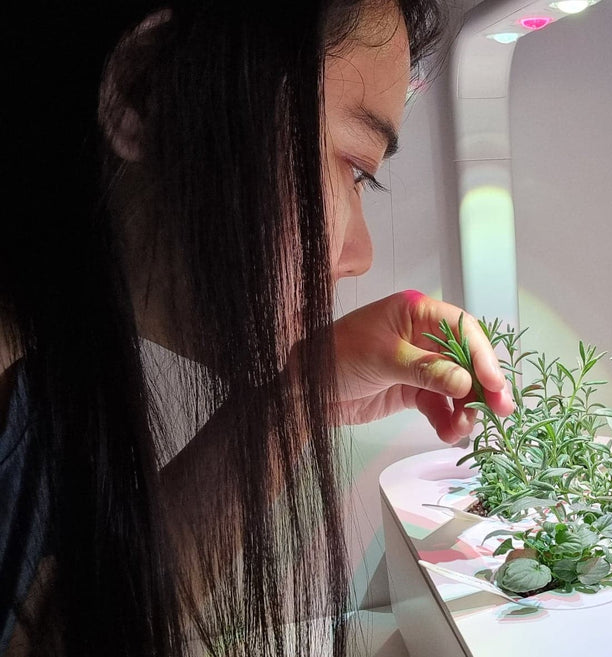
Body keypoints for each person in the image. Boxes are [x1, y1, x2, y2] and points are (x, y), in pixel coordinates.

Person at [0, 1, 514, 655]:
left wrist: (302, 394)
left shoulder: (34, 391)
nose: (361, 256)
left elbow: (60, 630)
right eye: (356, 168)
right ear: (146, 90)